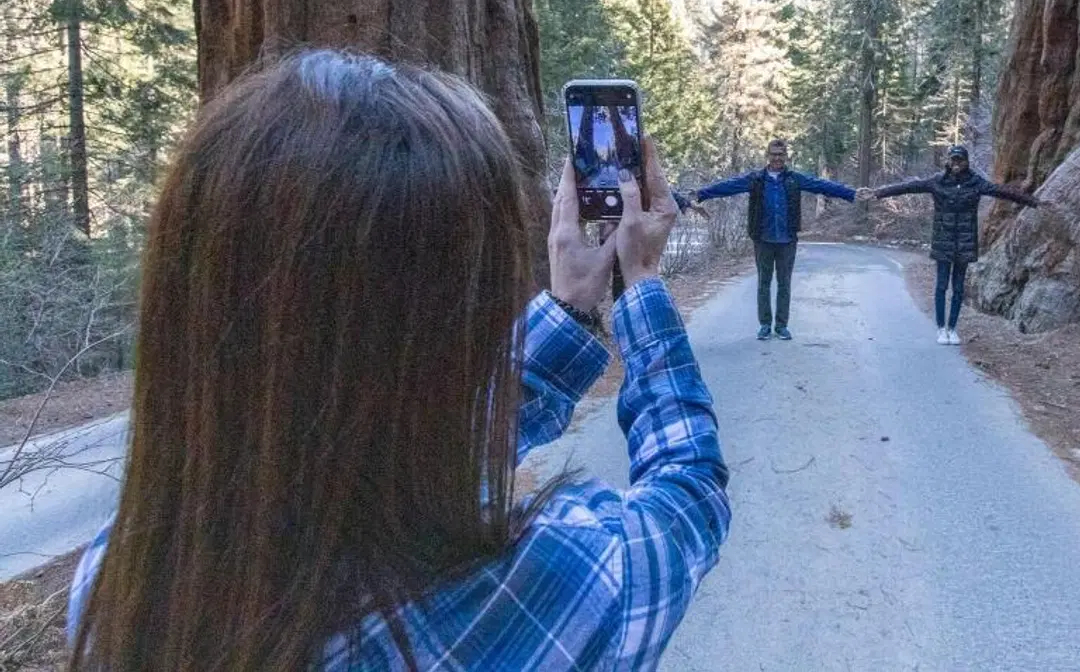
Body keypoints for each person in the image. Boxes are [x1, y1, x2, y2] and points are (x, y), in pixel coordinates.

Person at [67, 50, 729, 671]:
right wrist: (638, 282)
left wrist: (572, 305)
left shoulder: (119, 584)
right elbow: (688, 496)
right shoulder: (554, 586)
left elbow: (390, 440)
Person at [859, 145, 1043, 346]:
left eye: (959, 160)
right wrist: (877, 193)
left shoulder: (975, 183)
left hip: (965, 242)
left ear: (966, 162)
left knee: (958, 288)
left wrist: (1034, 202)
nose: (956, 164)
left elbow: (1003, 192)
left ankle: (952, 329)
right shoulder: (938, 182)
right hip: (943, 241)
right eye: (953, 160)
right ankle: (940, 328)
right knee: (941, 285)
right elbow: (908, 187)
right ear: (948, 161)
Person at [682, 138, 856, 341]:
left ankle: (781, 326)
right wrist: (702, 194)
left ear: (786, 156)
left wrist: (851, 194)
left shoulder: (794, 179)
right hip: (762, 238)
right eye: (773, 154)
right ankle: (765, 325)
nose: (777, 158)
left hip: (787, 239)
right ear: (768, 155)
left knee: (784, 283)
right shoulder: (756, 179)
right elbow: (730, 186)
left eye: (781, 154)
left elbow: (822, 185)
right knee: (764, 282)